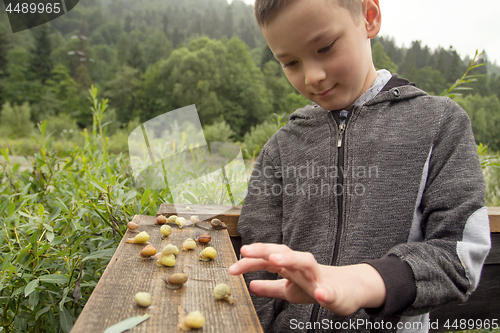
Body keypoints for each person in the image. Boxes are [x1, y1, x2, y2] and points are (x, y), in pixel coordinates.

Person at [228, 0, 491, 332]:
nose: (312, 76)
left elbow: (460, 255)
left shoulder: (439, 123)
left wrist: (363, 281)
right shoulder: (280, 148)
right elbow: (257, 269)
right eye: (290, 62)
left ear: (369, 17)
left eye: (325, 47)